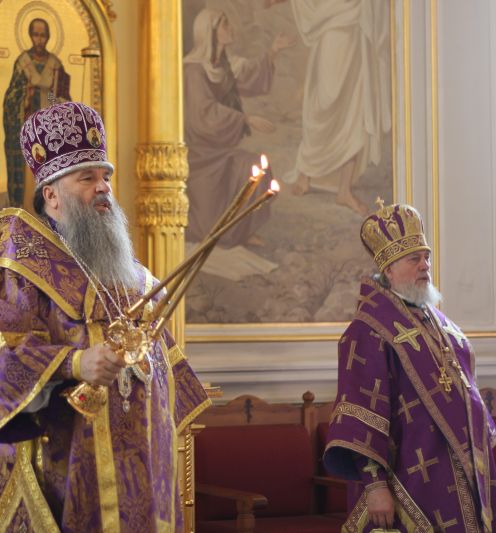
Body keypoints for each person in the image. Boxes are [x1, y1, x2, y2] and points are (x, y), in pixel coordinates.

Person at [0, 101, 210, 532]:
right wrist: (75, 363)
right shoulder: (20, 273)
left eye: (105, 176)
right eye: (87, 178)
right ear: (51, 194)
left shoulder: (132, 278)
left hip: (143, 469)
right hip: (67, 472)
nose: (103, 187)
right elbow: (0, 365)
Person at [324, 202, 496, 531]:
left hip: (461, 471)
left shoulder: (439, 323)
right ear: (389, 270)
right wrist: (375, 487)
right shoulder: (367, 331)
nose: (425, 266)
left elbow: (467, 390)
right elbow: (360, 414)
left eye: (426, 257)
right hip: (409, 477)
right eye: (414, 259)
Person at [183, 7, 294, 248]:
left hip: (221, 150)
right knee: (205, 224)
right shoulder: (193, 70)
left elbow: (249, 76)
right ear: (211, 32)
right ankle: (225, 233)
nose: (230, 29)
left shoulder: (223, 65)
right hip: (200, 155)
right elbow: (202, 113)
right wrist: (245, 119)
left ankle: (240, 231)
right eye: (225, 25)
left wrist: (273, 51)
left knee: (256, 171)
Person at [286, 0, 391, 216]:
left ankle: (345, 189)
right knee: (322, 104)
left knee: (355, 111)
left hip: (357, 29)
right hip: (331, 26)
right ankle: (305, 174)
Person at [2, 17, 71, 209]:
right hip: (28, 131)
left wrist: (55, 103)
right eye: (36, 35)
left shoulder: (55, 64)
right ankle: (25, 211)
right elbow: (12, 97)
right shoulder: (23, 62)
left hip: (49, 133)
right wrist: (27, 94)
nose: (39, 40)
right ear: (30, 36)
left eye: (43, 35)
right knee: (28, 174)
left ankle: (49, 213)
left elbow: (60, 96)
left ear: (48, 37)